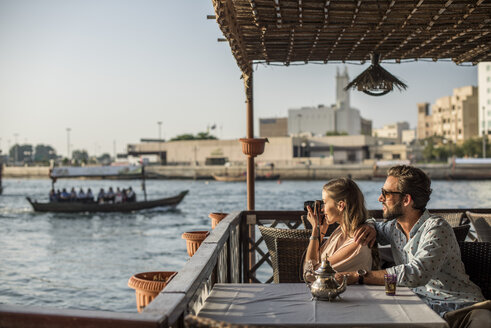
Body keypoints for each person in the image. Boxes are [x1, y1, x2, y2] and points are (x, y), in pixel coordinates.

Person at [343, 165, 490, 328]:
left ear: (406, 200)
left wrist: (360, 276)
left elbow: (416, 273)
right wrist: (370, 226)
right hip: (422, 310)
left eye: (386, 193)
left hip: (463, 309)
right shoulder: (393, 228)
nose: (380, 198)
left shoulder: (436, 228)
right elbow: (374, 225)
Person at [303, 178, 373, 282]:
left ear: (341, 205)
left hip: (350, 296)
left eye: (325, 203)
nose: (322, 209)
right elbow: (316, 261)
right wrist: (320, 232)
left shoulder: (357, 242)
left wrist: (315, 230)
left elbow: (309, 274)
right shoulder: (340, 231)